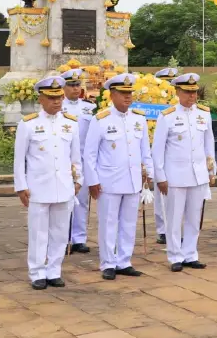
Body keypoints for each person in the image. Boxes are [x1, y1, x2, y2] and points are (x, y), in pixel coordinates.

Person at [15, 75, 82, 290]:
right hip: (38, 188)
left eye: (59, 97)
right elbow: (19, 159)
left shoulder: (70, 124)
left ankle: (54, 270)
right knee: (38, 232)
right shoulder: (28, 124)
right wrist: (21, 186)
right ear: (41, 99)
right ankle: (37, 272)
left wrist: (78, 180)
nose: (57, 101)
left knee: (60, 232)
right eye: (51, 97)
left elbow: (76, 157)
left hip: (63, 186)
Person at [83, 73, 153, 280]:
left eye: (129, 93)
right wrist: (93, 180)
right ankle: (107, 263)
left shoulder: (138, 119)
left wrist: (149, 175)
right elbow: (90, 154)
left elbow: (145, 152)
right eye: (123, 93)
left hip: (132, 181)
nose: (128, 97)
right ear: (112, 95)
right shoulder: (101, 119)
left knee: (129, 223)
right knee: (108, 223)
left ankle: (124, 261)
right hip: (109, 181)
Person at [152, 73, 215, 272]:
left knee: (194, 217)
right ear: (178, 92)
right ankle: (175, 256)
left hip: (198, 174)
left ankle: (190, 254)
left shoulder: (204, 114)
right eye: (187, 92)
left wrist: (211, 170)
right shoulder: (167, 116)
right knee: (174, 217)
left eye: (194, 92)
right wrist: (160, 176)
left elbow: (208, 145)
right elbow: (158, 149)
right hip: (175, 175)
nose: (191, 96)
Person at [60, 68, 96, 254]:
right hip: (63, 160)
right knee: (63, 200)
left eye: (77, 85)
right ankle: (62, 238)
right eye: (71, 85)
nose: (75, 89)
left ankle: (79, 238)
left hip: (82, 159)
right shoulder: (58, 107)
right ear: (64, 87)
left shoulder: (89, 108)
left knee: (81, 200)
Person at [150, 67, 179, 244]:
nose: (169, 84)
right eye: (165, 81)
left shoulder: (178, 104)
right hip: (155, 149)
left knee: (175, 196)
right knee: (160, 192)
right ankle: (162, 229)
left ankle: (174, 228)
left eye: (172, 81)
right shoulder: (151, 100)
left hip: (175, 153)